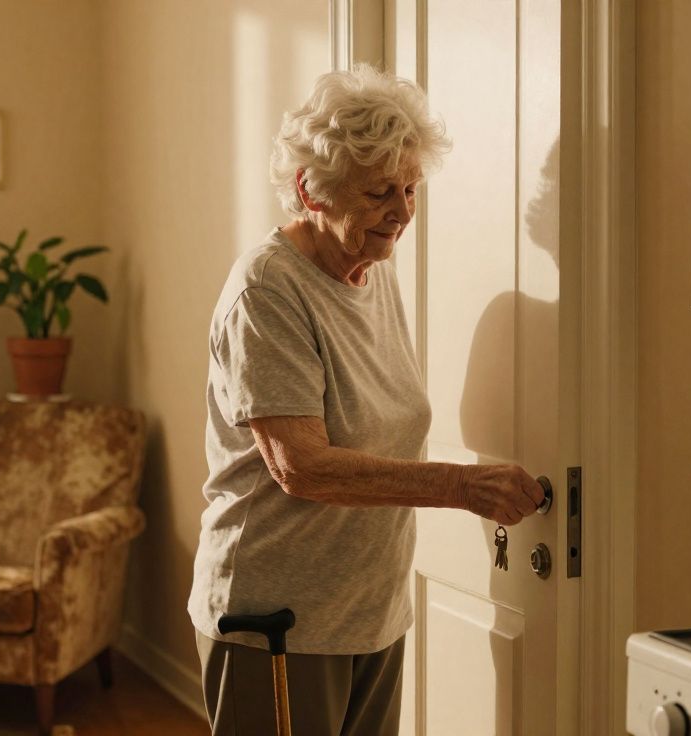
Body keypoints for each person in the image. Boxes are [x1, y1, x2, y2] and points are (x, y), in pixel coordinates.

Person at [189, 65, 545, 736]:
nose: (403, 211)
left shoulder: (366, 267)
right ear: (308, 189)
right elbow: (303, 467)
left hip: (370, 611)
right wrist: (463, 488)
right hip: (276, 619)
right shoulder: (268, 292)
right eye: (381, 191)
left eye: (411, 188)